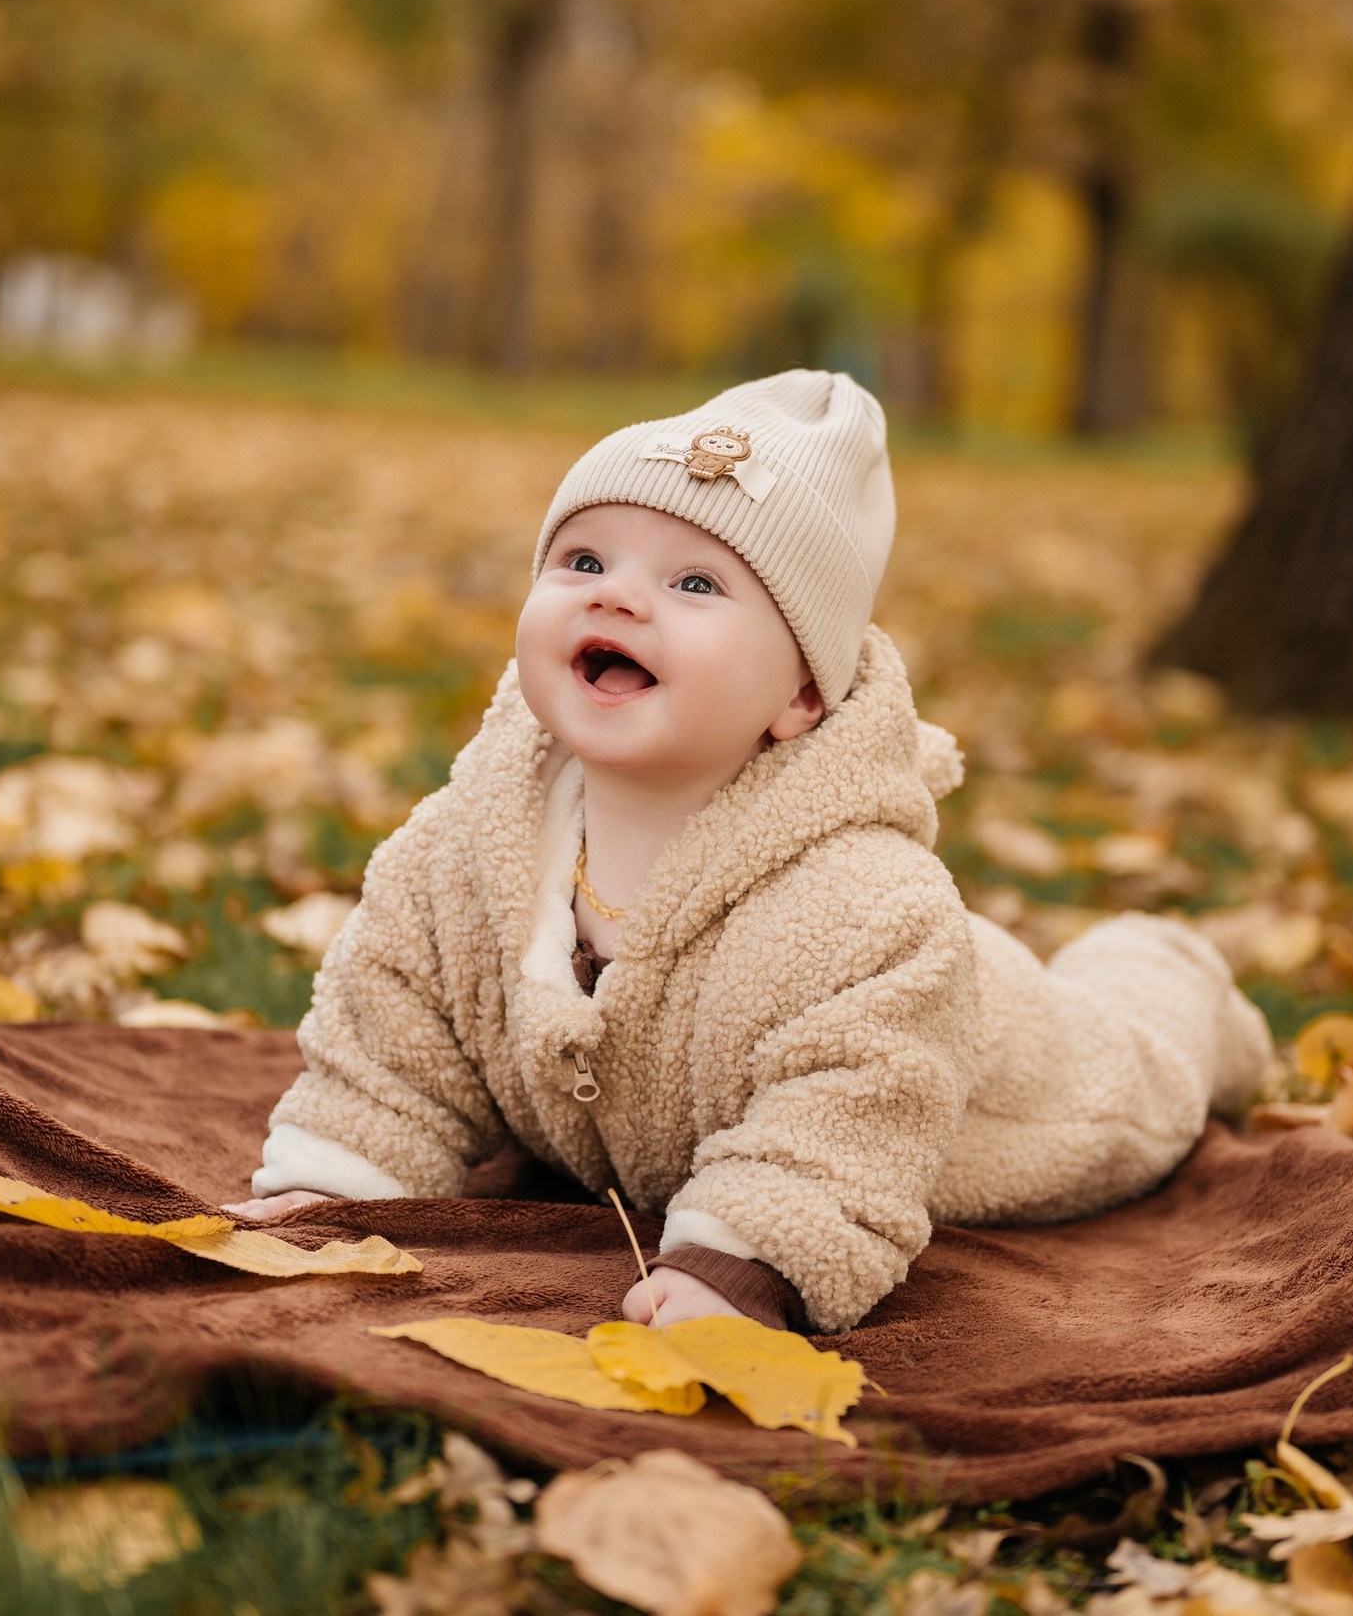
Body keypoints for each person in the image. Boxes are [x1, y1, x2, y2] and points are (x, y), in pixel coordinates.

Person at [225, 370, 1273, 1334]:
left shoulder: (871, 912)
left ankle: (1173, 969)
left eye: (694, 585)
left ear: (801, 696)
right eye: (583, 560)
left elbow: (854, 1108)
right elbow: (395, 1025)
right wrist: (339, 1174)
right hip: (678, 1117)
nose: (619, 596)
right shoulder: (458, 850)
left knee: (1143, 1059)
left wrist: (746, 1256)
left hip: (1007, 1079)